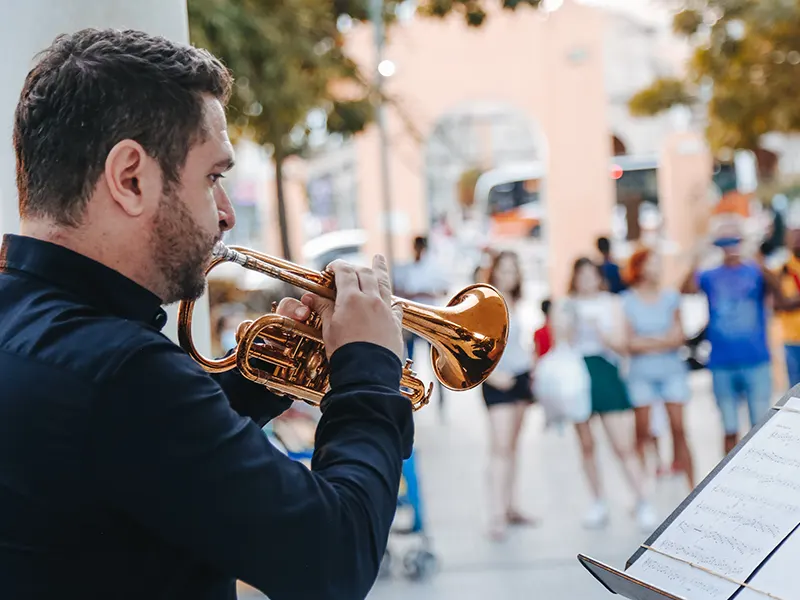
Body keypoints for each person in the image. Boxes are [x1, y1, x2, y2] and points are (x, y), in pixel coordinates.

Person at [0, 29, 413, 600]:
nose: (225, 214)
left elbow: (131, 460)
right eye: (213, 178)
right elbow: (334, 558)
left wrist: (258, 382)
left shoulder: (33, 328)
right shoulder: (125, 374)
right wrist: (368, 370)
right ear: (130, 178)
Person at [681, 220, 800, 454]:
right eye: (724, 240)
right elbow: (685, 289)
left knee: (761, 426)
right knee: (729, 428)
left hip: (756, 359)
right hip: (722, 363)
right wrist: (699, 254)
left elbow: (779, 294)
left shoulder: (755, 270)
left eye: (734, 239)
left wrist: (753, 253)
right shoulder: (710, 274)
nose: (730, 246)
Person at [562, 257, 656, 532]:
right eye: (582, 275)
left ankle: (642, 499)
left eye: (591, 274)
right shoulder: (567, 304)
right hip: (577, 373)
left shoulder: (611, 303)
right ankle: (597, 501)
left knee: (622, 444)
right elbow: (561, 341)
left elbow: (623, 345)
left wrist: (601, 332)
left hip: (605, 370)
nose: (586, 280)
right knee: (586, 444)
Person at [622, 248, 695, 490]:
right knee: (641, 431)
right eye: (652, 263)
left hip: (671, 370)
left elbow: (679, 336)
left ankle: (691, 485)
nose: (657, 268)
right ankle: (643, 487)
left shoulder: (671, 297)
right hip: (641, 374)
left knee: (679, 428)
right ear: (639, 267)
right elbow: (629, 343)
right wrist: (662, 340)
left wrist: (647, 341)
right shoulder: (627, 300)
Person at [480, 251, 536, 541]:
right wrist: (491, 375)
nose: (508, 275)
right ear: (495, 271)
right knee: (499, 448)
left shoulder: (519, 302)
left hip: (521, 377)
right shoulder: (487, 304)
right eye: (503, 269)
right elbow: (475, 348)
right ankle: (496, 514)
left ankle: (512, 506)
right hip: (496, 381)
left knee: (513, 447)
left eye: (513, 270)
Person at [775, 229, 800, 387]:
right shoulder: (783, 269)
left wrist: (792, 301)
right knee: (796, 390)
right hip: (792, 339)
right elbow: (779, 303)